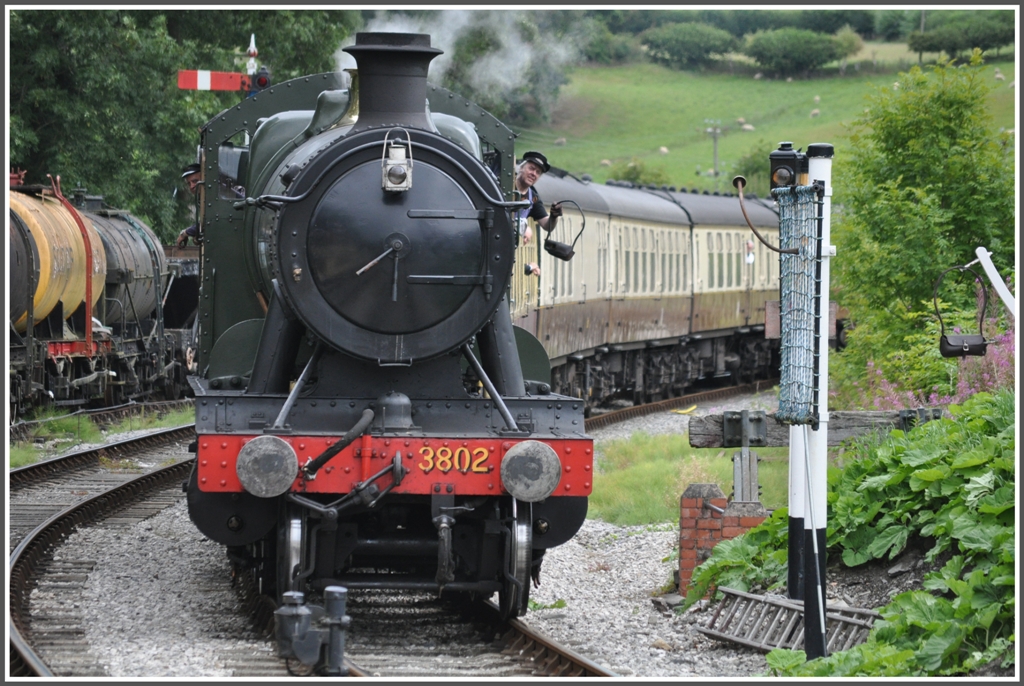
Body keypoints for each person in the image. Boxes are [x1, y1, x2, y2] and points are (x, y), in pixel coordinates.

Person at [513, 151, 562, 277]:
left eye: (538, 172)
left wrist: (554, 216)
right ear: (521, 168)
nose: (533, 174)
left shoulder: (533, 198)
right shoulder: (505, 184)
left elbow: (547, 226)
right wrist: (523, 226)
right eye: (531, 168)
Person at [176, 163, 202, 247]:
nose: (191, 186)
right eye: (189, 183)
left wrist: (185, 233)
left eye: (195, 181)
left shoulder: (212, 197)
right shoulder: (201, 199)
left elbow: (209, 222)